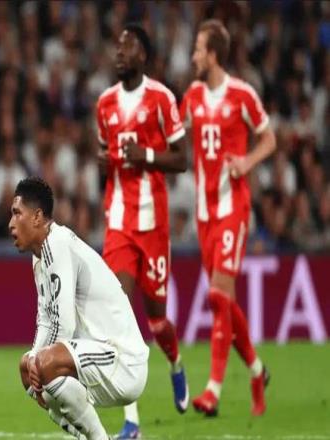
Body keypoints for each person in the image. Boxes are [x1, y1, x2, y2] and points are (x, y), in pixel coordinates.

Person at [96, 23, 189, 438]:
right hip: (118, 222)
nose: (120, 52)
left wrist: (146, 155)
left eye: (129, 46)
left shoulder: (161, 98)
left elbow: (181, 159)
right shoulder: (105, 104)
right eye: (118, 46)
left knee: (156, 322)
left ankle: (175, 362)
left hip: (153, 225)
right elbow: (107, 154)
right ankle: (131, 420)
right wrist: (105, 163)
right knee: (117, 310)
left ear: (144, 56)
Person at [179, 19, 276, 417]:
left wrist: (247, 162)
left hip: (233, 207)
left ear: (213, 55)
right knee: (225, 302)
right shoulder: (193, 96)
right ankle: (256, 371)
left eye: (198, 49)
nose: (193, 57)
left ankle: (213, 391)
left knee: (219, 296)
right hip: (205, 214)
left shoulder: (242, 95)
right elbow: (173, 135)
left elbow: (269, 138)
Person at [10, 176, 149, 440]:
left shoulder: (58, 244)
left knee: (45, 363)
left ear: (37, 217)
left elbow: (64, 325)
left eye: (17, 214)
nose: (11, 223)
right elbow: (46, 319)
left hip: (123, 361)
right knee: (27, 367)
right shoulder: (39, 258)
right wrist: (34, 362)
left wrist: (40, 362)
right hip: (97, 356)